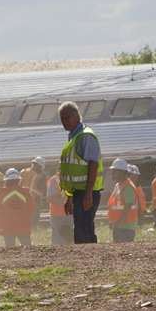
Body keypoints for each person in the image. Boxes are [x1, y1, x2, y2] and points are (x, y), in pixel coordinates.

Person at [58, 101, 104, 244]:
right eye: (62, 119)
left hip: (87, 192)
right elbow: (74, 171)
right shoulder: (74, 137)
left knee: (84, 230)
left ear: (77, 116)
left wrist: (88, 193)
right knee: (81, 229)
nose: (65, 122)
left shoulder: (85, 136)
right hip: (78, 192)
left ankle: (91, 262)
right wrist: (69, 197)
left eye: (68, 117)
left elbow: (93, 164)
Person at [0, 168, 35, 248]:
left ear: (6, 181)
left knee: (10, 251)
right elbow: (31, 208)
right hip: (23, 225)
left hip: (8, 228)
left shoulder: (1, 194)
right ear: (18, 180)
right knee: (28, 249)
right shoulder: (26, 193)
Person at [106, 159, 144, 242]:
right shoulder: (118, 185)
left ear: (123, 173)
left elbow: (128, 207)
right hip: (119, 226)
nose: (112, 174)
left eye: (115, 171)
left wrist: (118, 223)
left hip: (126, 228)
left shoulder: (128, 187)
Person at [46, 164, 72, 245]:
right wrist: (63, 203)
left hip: (69, 213)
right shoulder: (53, 180)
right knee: (57, 238)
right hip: (57, 214)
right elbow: (50, 198)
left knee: (69, 236)